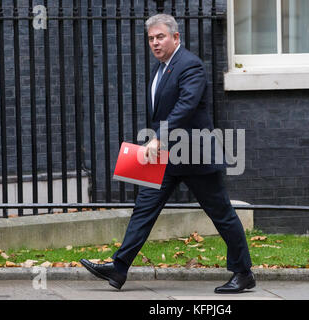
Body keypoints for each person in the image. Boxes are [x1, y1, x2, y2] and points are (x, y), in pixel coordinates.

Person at [80, 13, 254, 294]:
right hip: (166, 157)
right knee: (144, 210)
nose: (155, 43)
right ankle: (119, 267)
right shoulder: (160, 69)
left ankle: (243, 273)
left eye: (160, 37)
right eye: (150, 38)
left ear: (176, 37)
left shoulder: (190, 65)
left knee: (221, 213)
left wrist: (159, 137)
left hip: (194, 153)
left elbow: (185, 105)